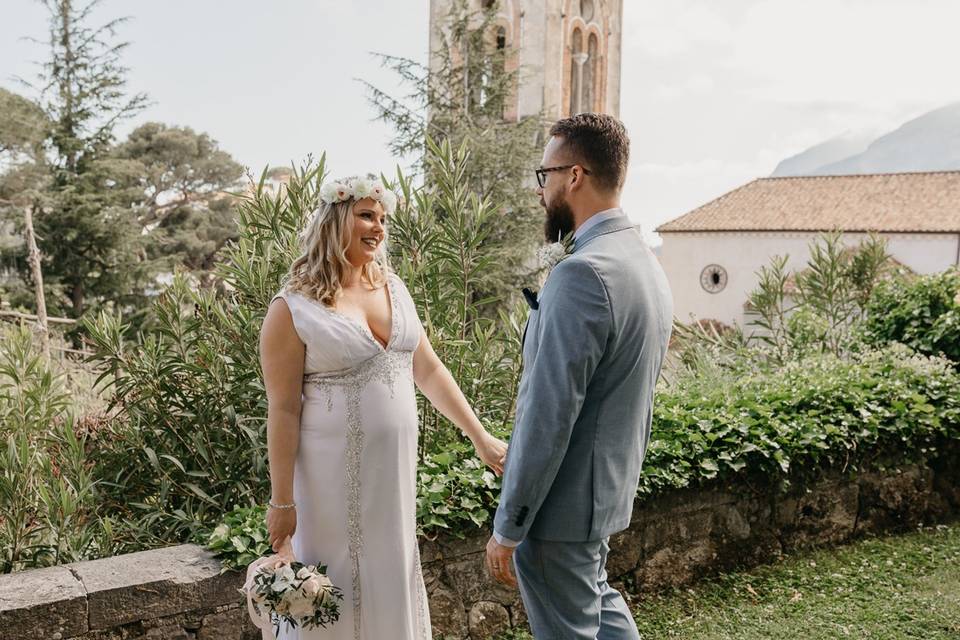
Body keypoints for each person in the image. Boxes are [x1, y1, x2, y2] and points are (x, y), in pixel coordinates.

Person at [260, 175, 508, 639]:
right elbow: (283, 412)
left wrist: (482, 438)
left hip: (391, 482)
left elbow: (430, 371)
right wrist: (282, 502)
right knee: (332, 588)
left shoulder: (394, 288)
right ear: (335, 219)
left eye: (383, 218)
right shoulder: (291, 308)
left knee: (390, 570)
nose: (378, 227)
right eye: (366, 216)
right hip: (328, 487)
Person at [485, 113, 674, 639]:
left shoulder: (582, 273)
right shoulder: (643, 263)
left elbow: (549, 413)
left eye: (544, 175)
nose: (540, 190)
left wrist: (510, 525)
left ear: (574, 175)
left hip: (561, 510)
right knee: (601, 611)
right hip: (605, 494)